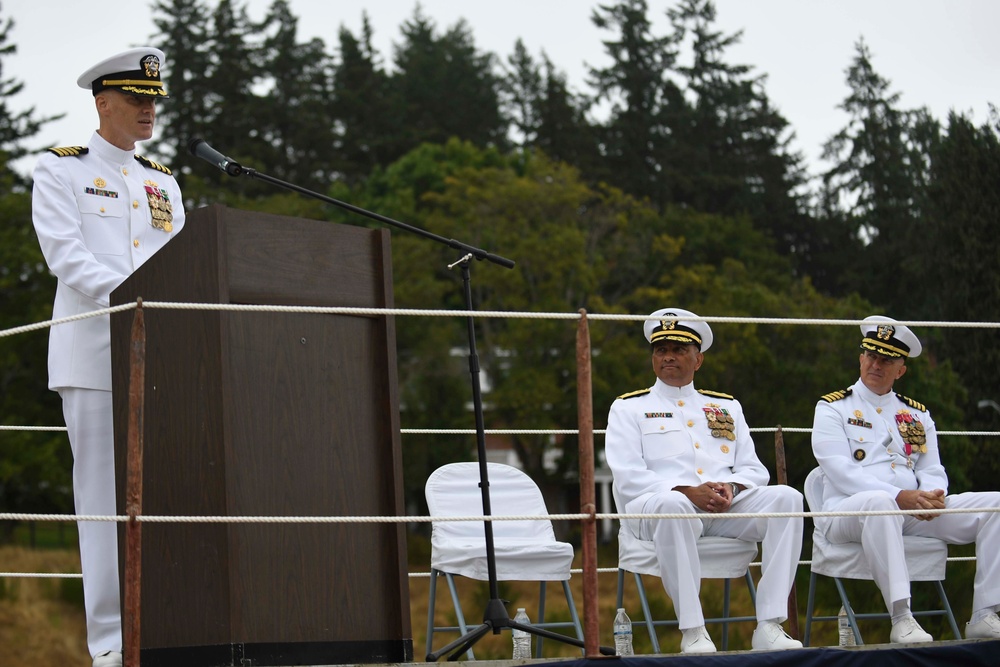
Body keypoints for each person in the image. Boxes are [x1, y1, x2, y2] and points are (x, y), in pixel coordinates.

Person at [31, 47, 185, 667]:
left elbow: (182, 261)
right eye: (137, 100)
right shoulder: (60, 170)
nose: (150, 110)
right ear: (103, 102)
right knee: (101, 506)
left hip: (167, 358)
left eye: (154, 101)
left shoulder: (164, 180)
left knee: (170, 501)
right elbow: (64, 254)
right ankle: (110, 650)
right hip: (95, 355)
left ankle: (171, 636)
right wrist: (130, 299)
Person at [605, 308, 803, 653]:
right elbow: (627, 474)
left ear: (698, 360)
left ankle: (770, 625)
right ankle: (693, 630)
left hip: (722, 508)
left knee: (787, 498)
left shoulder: (726, 407)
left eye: (679, 350)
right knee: (673, 505)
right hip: (659, 507)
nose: (667, 356)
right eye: (660, 349)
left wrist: (733, 487)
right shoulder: (628, 408)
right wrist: (685, 490)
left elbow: (754, 470)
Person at [811, 315, 1000, 643]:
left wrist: (931, 495)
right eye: (871, 355)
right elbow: (840, 470)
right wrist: (901, 497)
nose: (876, 365)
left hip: (910, 511)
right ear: (860, 358)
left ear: (901, 370)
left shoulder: (916, 415)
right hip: (846, 511)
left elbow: (931, 469)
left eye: (887, 360)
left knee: (996, 505)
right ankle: (901, 617)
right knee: (881, 502)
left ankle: (984, 613)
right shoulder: (833, 408)